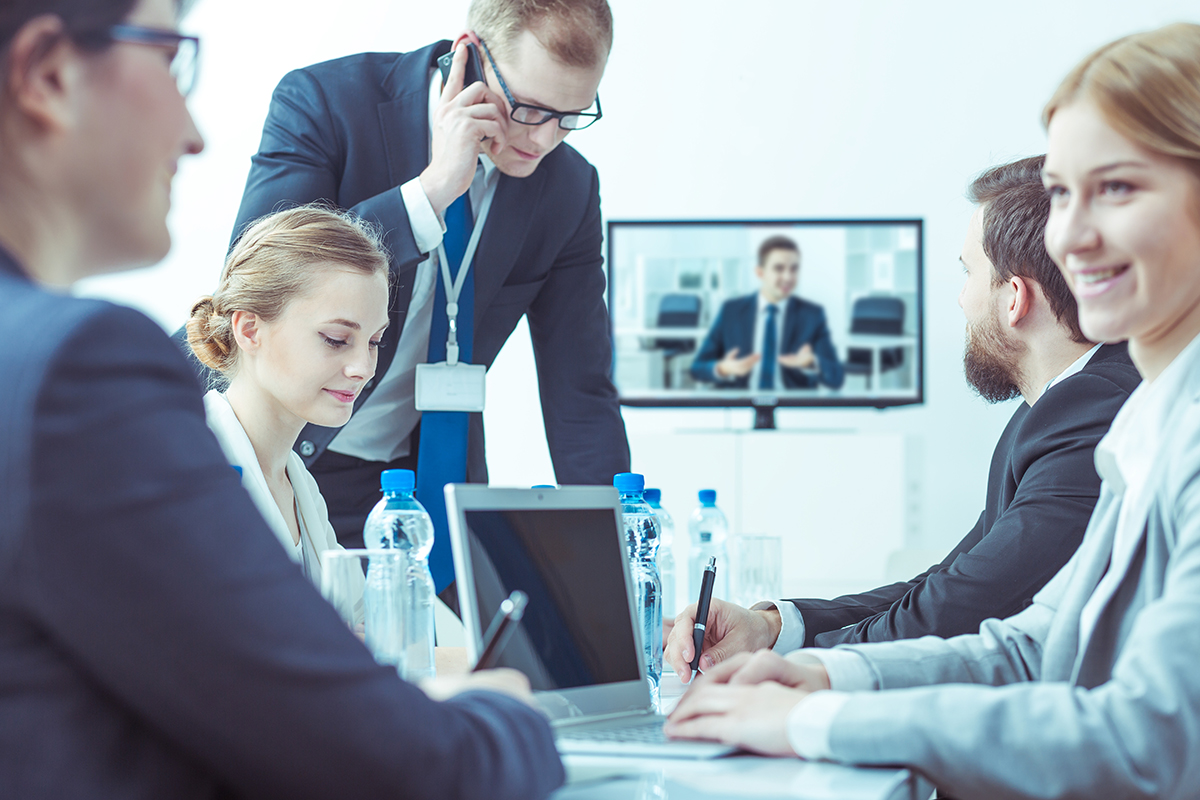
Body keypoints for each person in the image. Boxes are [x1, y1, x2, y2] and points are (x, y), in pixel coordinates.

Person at [0, 1, 563, 797]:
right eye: (169, 58)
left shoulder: (301, 478)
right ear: (48, 74)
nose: (194, 132)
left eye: (372, 342)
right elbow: (375, 758)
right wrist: (514, 715)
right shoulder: (74, 371)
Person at [667, 22, 1200, 798]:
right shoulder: (1153, 422)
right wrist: (818, 673)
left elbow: (1149, 741)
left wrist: (812, 723)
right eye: (1060, 193)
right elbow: (1034, 644)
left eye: (1116, 187)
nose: (1071, 236)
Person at [197, 0, 631, 601]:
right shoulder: (325, 103)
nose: (544, 138)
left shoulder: (569, 189)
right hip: (286, 459)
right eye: (528, 108)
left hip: (426, 481)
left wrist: (617, 568)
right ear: (470, 56)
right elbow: (261, 276)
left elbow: (580, 392)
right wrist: (430, 194)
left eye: (570, 116)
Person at [666, 156, 1141, 676]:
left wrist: (802, 672)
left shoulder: (1092, 412)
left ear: (1014, 297)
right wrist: (774, 630)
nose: (961, 299)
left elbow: (958, 610)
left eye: (968, 273)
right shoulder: (1057, 410)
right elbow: (947, 582)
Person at [186, 206, 389, 592]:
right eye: (336, 339)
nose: (363, 367)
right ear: (249, 330)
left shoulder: (300, 487)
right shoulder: (191, 469)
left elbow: (354, 629)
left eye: (375, 341)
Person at [690, 236, 845, 390]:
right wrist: (723, 369)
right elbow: (696, 368)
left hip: (791, 406)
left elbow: (837, 378)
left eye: (794, 269)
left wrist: (812, 362)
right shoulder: (731, 310)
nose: (788, 277)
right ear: (760, 272)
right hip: (741, 403)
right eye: (779, 268)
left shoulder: (813, 314)